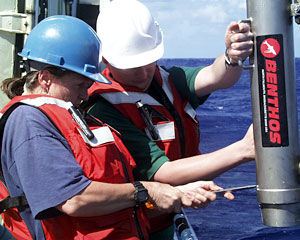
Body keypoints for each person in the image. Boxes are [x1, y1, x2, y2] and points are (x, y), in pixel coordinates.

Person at [0, 15, 232, 240]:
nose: (85, 94)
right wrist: (147, 191)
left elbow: (114, 193)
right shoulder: (29, 122)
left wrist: (181, 192)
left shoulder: (68, 115)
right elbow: (73, 199)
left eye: (89, 84)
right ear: (45, 78)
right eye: (80, 85)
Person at [86, 0, 255, 239]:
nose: (144, 73)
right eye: (133, 67)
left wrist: (231, 56)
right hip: (134, 228)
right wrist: (244, 150)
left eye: (148, 62)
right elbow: (163, 172)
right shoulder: (102, 109)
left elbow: (217, 77)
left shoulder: (168, 80)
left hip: (167, 218)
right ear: (106, 60)